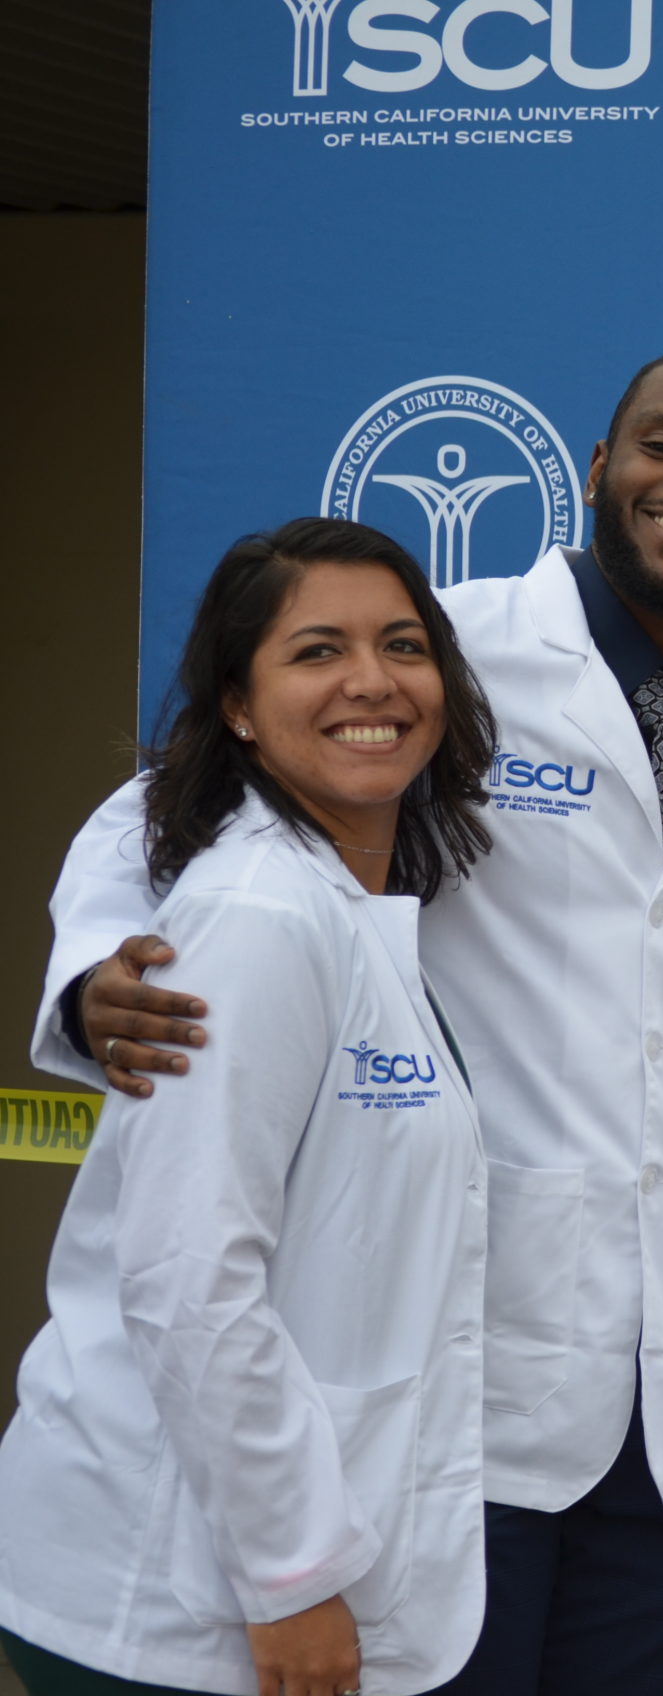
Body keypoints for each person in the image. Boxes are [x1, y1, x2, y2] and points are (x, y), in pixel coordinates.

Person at [35, 345, 663, 1696]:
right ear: (597, 470)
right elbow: (165, 805)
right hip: (475, 1377)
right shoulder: (438, 652)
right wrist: (104, 965)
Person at [0, 520, 495, 1696]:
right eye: (317, 650)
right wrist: (292, 1576)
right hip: (169, 1602)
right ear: (235, 705)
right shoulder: (261, 915)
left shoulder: (342, 905)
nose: (372, 681)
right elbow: (188, 1275)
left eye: (405, 646)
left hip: (240, 1575)